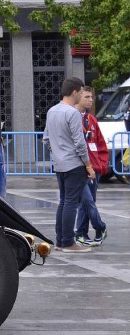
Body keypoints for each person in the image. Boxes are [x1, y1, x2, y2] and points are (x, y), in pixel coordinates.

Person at [46, 77, 94, 253]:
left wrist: (58, 153)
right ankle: (68, 242)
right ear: (74, 92)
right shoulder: (72, 113)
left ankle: (60, 241)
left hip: (59, 164)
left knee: (64, 201)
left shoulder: (52, 111)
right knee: (71, 203)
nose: (82, 95)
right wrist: (88, 165)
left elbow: (46, 139)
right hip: (74, 164)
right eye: (81, 92)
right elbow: (79, 143)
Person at [74, 86, 108, 247]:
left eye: (91, 97)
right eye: (87, 97)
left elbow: (100, 144)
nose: (91, 100)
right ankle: (100, 227)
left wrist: (101, 165)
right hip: (78, 168)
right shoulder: (72, 117)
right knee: (87, 201)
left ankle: (81, 233)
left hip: (95, 168)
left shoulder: (91, 120)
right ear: (78, 97)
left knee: (87, 203)